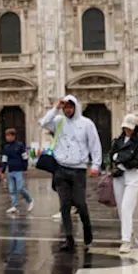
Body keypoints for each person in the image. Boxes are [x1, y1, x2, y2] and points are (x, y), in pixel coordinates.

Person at [40, 95, 102, 253]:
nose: (68, 110)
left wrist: (95, 165)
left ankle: (87, 230)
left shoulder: (86, 124)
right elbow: (43, 123)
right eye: (65, 107)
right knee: (64, 206)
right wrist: (55, 107)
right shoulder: (58, 121)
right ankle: (69, 239)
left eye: (70, 107)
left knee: (81, 204)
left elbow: (95, 144)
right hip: (61, 168)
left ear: (75, 107)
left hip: (78, 169)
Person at [108, 115, 138, 254]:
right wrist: (123, 158)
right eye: (125, 127)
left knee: (126, 207)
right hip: (118, 176)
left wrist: (120, 158)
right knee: (120, 209)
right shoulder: (118, 140)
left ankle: (126, 241)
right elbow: (111, 155)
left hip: (132, 177)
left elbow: (136, 162)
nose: (127, 130)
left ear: (135, 128)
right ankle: (130, 233)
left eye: (130, 128)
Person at [0, 128, 34, 215]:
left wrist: (25, 169)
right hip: (11, 170)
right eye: (6, 136)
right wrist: (2, 171)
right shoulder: (6, 147)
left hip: (19, 170)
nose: (7, 137)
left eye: (9, 135)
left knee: (20, 188)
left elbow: (25, 157)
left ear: (13, 136)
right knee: (12, 190)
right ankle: (14, 205)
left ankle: (30, 200)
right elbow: (4, 159)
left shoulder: (20, 145)